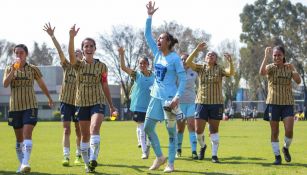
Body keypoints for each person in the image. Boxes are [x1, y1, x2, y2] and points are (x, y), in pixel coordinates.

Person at [144, 1, 186, 173]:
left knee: (171, 133)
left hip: (169, 100)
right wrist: (149, 16)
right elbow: (147, 35)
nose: (158, 40)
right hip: (155, 97)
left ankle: (170, 163)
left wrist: (177, 97)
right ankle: (159, 156)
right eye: (158, 38)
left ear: (168, 42)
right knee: (147, 128)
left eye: (162, 38)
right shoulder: (157, 53)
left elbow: (182, 79)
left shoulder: (175, 59)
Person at [68, 24, 117, 173]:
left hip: (97, 102)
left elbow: (105, 85)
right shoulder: (78, 65)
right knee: (84, 136)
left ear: (95, 49)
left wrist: (111, 105)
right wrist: (71, 37)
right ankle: (87, 164)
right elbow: (70, 55)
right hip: (81, 103)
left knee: (94, 128)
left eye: (91, 46)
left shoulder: (102, 66)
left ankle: (94, 157)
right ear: (82, 50)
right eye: (86, 46)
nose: (88, 48)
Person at [3, 44, 54, 173]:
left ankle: (25, 163)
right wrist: (13, 71)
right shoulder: (9, 68)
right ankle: (22, 164)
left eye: (21, 53)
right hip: (15, 107)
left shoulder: (33, 69)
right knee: (19, 139)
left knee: (27, 133)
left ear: (26, 54)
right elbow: (5, 84)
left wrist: (49, 97)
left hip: (30, 105)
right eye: (17, 53)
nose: (19, 55)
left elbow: (42, 84)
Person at [186, 42, 234, 163]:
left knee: (214, 130)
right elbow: (187, 62)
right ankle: (203, 146)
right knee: (198, 131)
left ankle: (214, 155)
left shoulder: (219, 69)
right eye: (208, 55)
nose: (210, 56)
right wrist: (196, 49)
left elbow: (231, 73)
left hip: (216, 103)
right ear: (205, 58)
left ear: (216, 59)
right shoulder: (200, 67)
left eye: (213, 55)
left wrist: (231, 62)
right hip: (201, 102)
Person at [43, 23, 82, 166]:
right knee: (66, 130)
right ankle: (66, 156)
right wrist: (52, 36)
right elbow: (60, 51)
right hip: (65, 101)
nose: (76, 54)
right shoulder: (67, 65)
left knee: (79, 131)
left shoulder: (83, 69)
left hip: (79, 103)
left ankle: (79, 155)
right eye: (75, 53)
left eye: (79, 53)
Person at [259, 45, 301, 165]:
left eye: (279, 55)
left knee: (289, 130)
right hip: (273, 103)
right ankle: (277, 157)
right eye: (275, 55)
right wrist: (266, 56)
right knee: (275, 131)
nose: (277, 57)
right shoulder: (270, 67)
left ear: (283, 56)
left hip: (287, 103)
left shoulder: (289, 67)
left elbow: (298, 81)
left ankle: (285, 148)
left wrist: (293, 68)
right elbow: (261, 72)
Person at [118, 47, 154, 159]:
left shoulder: (154, 76)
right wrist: (122, 54)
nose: (142, 65)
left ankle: (147, 145)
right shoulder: (136, 74)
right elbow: (123, 67)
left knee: (149, 130)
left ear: (148, 64)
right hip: (138, 106)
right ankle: (144, 152)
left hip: (151, 106)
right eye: (140, 63)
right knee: (142, 129)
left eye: (144, 63)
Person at [176, 53, 198, 160]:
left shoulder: (194, 72)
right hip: (179, 104)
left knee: (191, 126)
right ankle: (178, 149)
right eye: (182, 59)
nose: (184, 61)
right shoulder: (176, 72)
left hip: (191, 103)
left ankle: (194, 151)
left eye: (186, 59)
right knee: (180, 129)